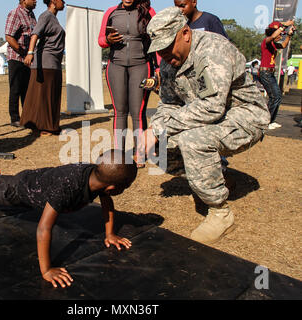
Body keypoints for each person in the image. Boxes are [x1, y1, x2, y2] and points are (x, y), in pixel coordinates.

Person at [144, 7, 270, 244]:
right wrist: (155, 129)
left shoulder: (213, 50)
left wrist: (160, 129)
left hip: (244, 116)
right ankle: (215, 177)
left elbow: (212, 106)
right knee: (158, 149)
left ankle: (220, 212)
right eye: (159, 49)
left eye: (168, 45)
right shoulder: (170, 63)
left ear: (185, 34)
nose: (164, 54)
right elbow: (169, 103)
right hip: (208, 118)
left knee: (194, 140)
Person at [0, 149, 137, 288]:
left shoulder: (97, 176)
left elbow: (106, 202)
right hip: (23, 191)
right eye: (126, 186)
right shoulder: (68, 188)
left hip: (39, 178)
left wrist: (110, 233)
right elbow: (44, 228)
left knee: (15, 182)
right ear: (114, 188)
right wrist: (46, 270)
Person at [98, 0, 160, 168]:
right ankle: (119, 155)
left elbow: (158, 40)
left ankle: (139, 154)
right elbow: (100, 40)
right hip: (115, 66)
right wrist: (108, 39)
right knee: (120, 112)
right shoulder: (111, 12)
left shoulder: (149, 11)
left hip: (141, 65)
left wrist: (159, 67)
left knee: (137, 111)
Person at [175, 0, 229, 172]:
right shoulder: (181, 24)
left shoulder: (210, 21)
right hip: (191, 86)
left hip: (210, 81)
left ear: (194, 2)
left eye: (183, 5)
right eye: (177, 6)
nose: (180, 9)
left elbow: (224, 48)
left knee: (213, 122)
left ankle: (220, 164)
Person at [21, 0, 66, 136]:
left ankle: (47, 125)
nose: (63, 2)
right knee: (43, 96)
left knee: (49, 95)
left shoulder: (53, 18)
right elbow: (35, 34)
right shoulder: (46, 16)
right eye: (61, 0)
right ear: (53, 1)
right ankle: (42, 127)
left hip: (53, 63)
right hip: (45, 63)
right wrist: (30, 53)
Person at [5, 0, 37, 128]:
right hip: (17, 57)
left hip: (28, 58)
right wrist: (22, 51)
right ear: (23, 1)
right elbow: (9, 36)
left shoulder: (32, 15)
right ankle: (15, 118)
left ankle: (27, 116)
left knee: (27, 89)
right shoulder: (15, 14)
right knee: (16, 88)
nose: (35, 1)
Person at [259, 20, 295, 130]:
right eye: (280, 34)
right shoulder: (267, 41)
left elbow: (284, 45)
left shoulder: (274, 45)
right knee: (275, 96)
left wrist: (289, 35)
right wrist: (283, 26)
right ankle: (266, 122)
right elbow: (273, 36)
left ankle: (271, 120)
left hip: (269, 73)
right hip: (265, 72)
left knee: (277, 96)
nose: (281, 36)